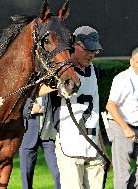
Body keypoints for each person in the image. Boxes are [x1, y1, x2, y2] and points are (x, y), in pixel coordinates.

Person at [51, 26, 105, 189]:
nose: (92, 54)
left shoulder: (95, 71)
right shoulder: (59, 73)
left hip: (93, 148)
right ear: (74, 44)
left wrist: (102, 148)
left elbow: (95, 111)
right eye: (88, 49)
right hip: (70, 146)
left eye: (95, 50)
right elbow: (35, 92)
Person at [105, 47, 138, 189]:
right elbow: (110, 105)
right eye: (137, 62)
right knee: (122, 173)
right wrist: (125, 128)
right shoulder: (122, 79)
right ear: (131, 61)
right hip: (120, 125)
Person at [19, 84, 60, 189]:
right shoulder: (26, 80)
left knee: (59, 174)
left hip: (49, 135)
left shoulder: (53, 83)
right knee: (26, 177)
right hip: (28, 135)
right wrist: (31, 109)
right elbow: (15, 106)